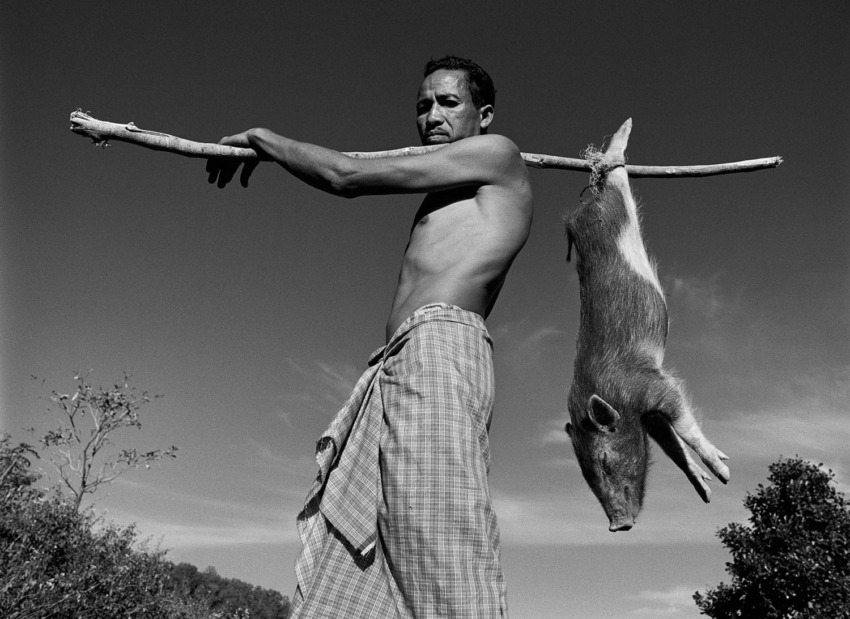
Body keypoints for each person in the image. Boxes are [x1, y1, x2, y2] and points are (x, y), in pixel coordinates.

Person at [207, 56, 533, 618]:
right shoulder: (447, 189)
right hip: (397, 363)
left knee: (440, 535)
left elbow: (346, 176)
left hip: (439, 350)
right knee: (376, 549)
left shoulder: (498, 154)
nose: (431, 115)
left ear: (484, 114)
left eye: (447, 103)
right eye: (422, 106)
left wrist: (263, 138)